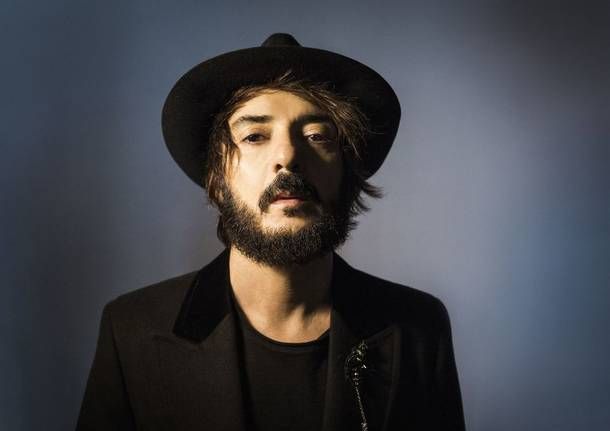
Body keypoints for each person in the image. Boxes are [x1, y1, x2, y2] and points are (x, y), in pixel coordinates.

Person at [76, 33, 465, 431]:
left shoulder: (419, 329)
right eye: (255, 137)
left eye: (317, 136)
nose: (288, 156)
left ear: (346, 175)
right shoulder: (133, 331)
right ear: (216, 181)